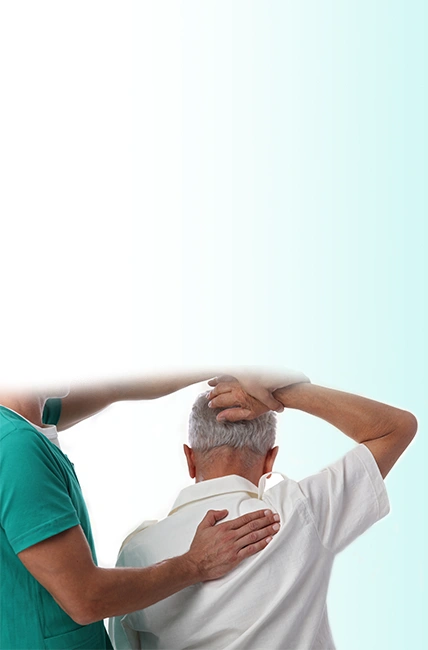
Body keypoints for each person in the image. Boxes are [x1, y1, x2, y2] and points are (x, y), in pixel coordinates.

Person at [110, 374, 417, 650]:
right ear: (271, 460)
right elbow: (396, 428)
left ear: (189, 459)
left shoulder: (136, 552)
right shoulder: (299, 509)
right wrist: (282, 393)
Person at [0, 370, 299, 650]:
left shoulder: (28, 417)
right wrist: (196, 564)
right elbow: (85, 598)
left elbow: (115, 387)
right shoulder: (17, 446)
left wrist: (228, 368)